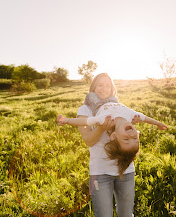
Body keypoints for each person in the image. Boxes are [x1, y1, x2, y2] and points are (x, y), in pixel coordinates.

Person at [60, 73, 167, 217]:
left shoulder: (119, 108)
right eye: (100, 85)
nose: (104, 88)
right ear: (93, 87)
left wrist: (128, 122)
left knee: (126, 214)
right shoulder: (85, 110)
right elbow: (89, 140)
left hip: (126, 171)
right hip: (101, 173)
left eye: (108, 85)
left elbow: (141, 117)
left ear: (112, 88)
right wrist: (101, 127)